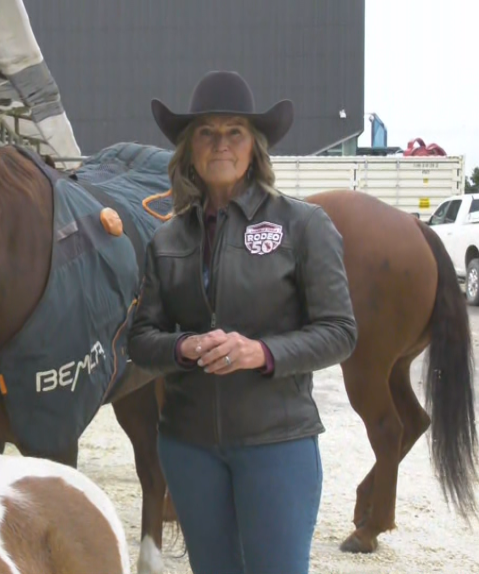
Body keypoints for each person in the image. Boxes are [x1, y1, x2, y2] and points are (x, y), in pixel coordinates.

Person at [128, 71, 359, 574]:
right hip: (188, 448)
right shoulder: (165, 240)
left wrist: (263, 352)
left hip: (277, 443)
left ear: (254, 148)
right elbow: (140, 340)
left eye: (234, 132)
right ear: (190, 150)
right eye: (207, 133)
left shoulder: (303, 225)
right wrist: (184, 348)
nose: (221, 144)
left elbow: (340, 331)